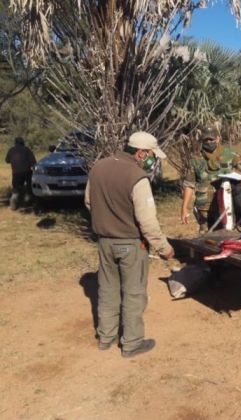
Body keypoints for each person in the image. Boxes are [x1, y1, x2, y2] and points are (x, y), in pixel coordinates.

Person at [85, 132, 175, 358]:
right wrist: (164, 248)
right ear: (141, 152)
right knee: (134, 294)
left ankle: (106, 337)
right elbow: (147, 221)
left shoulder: (99, 167)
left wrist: (108, 220)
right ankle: (132, 343)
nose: (153, 160)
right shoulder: (138, 177)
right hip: (131, 245)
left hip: (104, 242)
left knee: (107, 290)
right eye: (152, 155)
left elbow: (88, 201)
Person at [181, 125, 241, 232]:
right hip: (205, 207)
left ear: (218, 138)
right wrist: (184, 208)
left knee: (227, 233)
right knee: (206, 237)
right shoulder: (195, 159)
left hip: (226, 204)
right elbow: (189, 185)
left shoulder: (230, 155)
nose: (209, 142)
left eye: (211, 139)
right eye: (206, 139)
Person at [5, 137, 36, 210]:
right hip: (27, 172)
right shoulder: (27, 149)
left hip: (16, 172)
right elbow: (33, 162)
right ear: (23, 142)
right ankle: (27, 204)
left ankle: (13, 205)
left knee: (15, 189)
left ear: (15, 142)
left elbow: (7, 160)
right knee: (29, 188)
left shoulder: (11, 150)